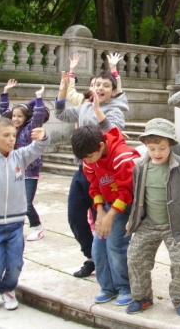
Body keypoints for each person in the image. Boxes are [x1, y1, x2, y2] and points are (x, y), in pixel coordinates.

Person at [0, 99, 50, 311]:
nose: (11, 139)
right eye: (6, 135)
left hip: (15, 225)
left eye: (13, 135)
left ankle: (8, 290)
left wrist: (43, 136)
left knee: (15, 264)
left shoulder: (20, 157)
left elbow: (38, 147)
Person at [125, 118, 180, 318]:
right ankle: (142, 297)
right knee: (135, 256)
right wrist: (133, 219)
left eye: (162, 148)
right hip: (148, 224)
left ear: (170, 144)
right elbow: (137, 196)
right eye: (152, 148)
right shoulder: (140, 166)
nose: (157, 153)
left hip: (175, 225)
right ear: (146, 146)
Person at [56, 58, 128, 279]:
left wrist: (98, 111)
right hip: (83, 170)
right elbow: (61, 114)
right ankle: (93, 256)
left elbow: (114, 133)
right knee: (74, 216)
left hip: (105, 174)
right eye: (97, 84)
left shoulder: (116, 109)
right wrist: (62, 91)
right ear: (91, 87)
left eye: (105, 85)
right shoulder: (84, 106)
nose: (100, 88)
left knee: (103, 222)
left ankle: (107, 264)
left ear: (113, 91)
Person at [71, 125, 139, 306]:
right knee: (98, 246)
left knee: (115, 245)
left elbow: (127, 191)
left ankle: (125, 287)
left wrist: (110, 216)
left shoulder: (122, 156)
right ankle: (108, 287)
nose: (87, 161)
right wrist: (100, 211)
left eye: (89, 157)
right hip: (108, 204)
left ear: (101, 146)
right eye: (84, 158)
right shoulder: (89, 158)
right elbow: (94, 185)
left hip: (127, 205)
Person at [0, 80, 49, 241]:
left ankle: (37, 228)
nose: (15, 118)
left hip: (30, 171)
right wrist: (5, 92)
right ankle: (15, 228)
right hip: (15, 170)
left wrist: (39, 98)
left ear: (26, 117)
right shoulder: (12, 128)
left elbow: (39, 116)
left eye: (19, 116)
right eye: (14, 116)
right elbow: (3, 112)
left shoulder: (30, 128)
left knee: (27, 204)